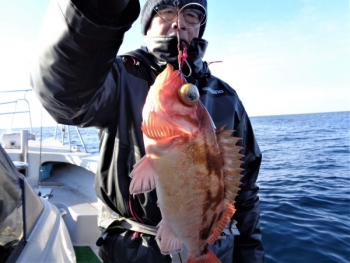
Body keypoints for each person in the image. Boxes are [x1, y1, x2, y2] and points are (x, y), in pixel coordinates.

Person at [31, 0, 265, 262]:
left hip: (214, 247)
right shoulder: (116, 76)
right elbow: (64, 98)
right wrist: (99, 9)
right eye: (167, 11)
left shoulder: (226, 97)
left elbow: (245, 193)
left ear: (200, 27)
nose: (179, 22)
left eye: (191, 14)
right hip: (133, 250)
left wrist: (250, 256)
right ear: (148, 22)